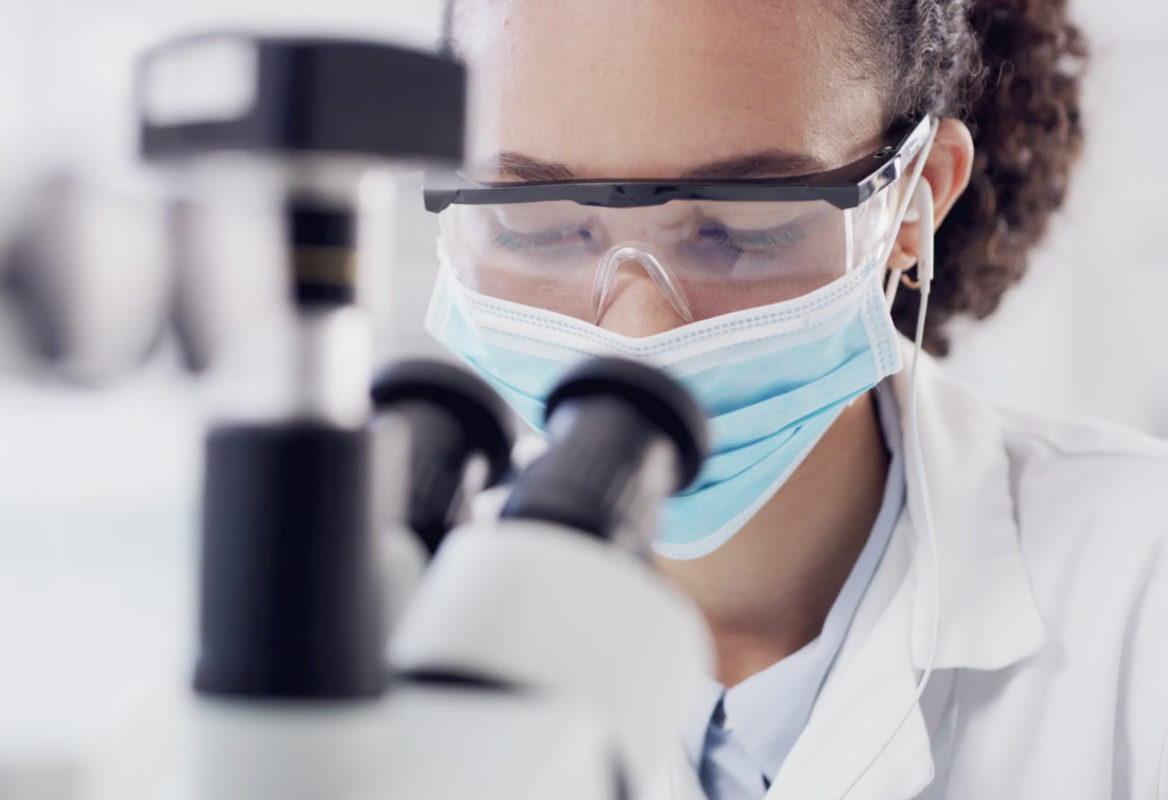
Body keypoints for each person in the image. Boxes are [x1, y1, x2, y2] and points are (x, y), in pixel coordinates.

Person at [424, 1, 1168, 798]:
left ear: (917, 198)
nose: (636, 335)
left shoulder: (1140, 582)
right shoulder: (387, 620)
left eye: (745, 226)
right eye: (536, 225)